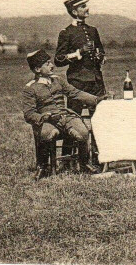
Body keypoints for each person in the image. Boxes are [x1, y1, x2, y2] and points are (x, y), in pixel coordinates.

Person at [22, 49, 102, 179]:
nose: (52, 65)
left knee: (83, 132)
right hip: (47, 121)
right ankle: (42, 167)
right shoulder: (30, 88)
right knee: (48, 134)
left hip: (66, 117)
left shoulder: (58, 80)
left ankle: (84, 164)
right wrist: (42, 117)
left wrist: (96, 100)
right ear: (37, 69)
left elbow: (75, 93)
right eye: (47, 64)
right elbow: (28, 114)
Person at [55, 0, 107, 110]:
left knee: (101, 113)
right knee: (76, 116)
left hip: (97, 81)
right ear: (74, 11)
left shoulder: (92, 30)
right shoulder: (66, 33)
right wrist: (80, 52)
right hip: (78, 82)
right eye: (83, 7)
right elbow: (58, 60)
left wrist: (100, 56)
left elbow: (101, 51)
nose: (87, 8)